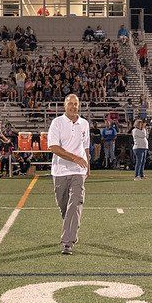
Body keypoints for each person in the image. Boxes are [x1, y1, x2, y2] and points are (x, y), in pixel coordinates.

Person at [48, 94, 90, 255]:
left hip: (78, 171)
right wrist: (74, 158)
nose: (73, 106)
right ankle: (70, 228)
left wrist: (87, 165)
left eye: (76, 103)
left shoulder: (84, 124)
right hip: (60, 171)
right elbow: (53, 147)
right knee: (64, 206)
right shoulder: (57, 123)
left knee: (75, 203)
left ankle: (67, 242)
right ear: (65, 106)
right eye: (70, 103)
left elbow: (86, 146)